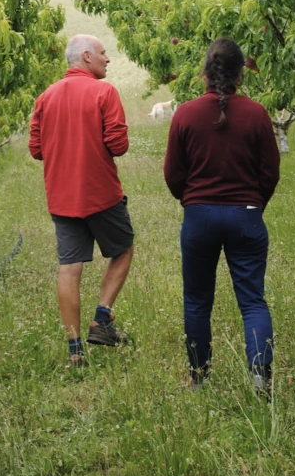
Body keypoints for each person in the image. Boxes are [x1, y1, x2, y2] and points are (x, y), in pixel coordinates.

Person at [163, 38, 280, 395]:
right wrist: (254, 203)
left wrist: (192, 200)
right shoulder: (257, 114)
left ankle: (199, 378)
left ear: (205, 72)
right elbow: (270, 172)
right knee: (252, 300)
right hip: (246, 215)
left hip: (199, 217)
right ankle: (259, 373)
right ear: (241, 71)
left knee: (197, 301)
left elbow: (172, 173)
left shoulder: (185, 113)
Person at [28, 34, 134, 365]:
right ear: (86, 56)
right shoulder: (104, 92)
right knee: (123, 249)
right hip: (100, 194)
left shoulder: (45, 97)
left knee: (69, 268)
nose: (108, 59)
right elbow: (118, 145)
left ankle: (75, 350)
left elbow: (36, 149)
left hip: (62, 198)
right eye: (104, 53)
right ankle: (102, 319)